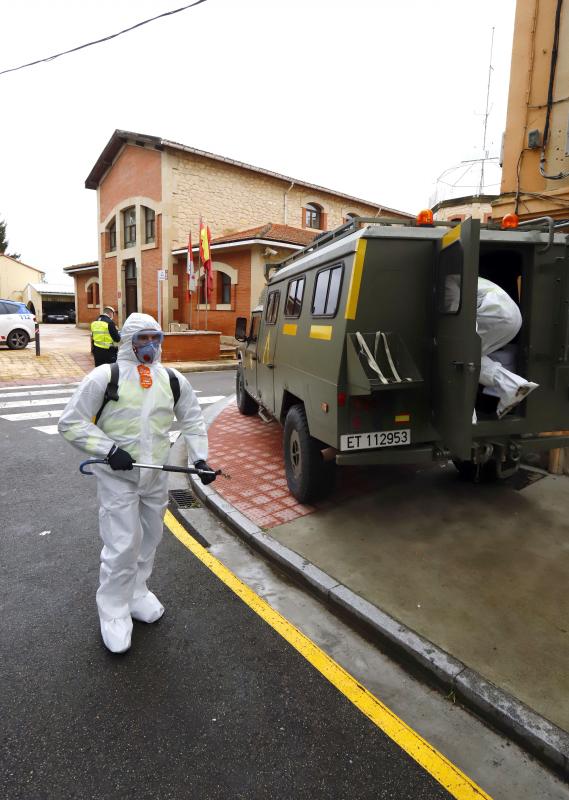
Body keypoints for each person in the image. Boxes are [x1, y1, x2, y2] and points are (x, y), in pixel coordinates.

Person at [58, 313, 216, 654]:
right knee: (122, 544)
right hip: (118, 479)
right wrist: (109, 449)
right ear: (129, 340)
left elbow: (192, 417)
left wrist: (201, 458)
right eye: (143, 338)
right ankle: (113, 611)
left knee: (150, 538)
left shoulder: (171, 379)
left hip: (155, 476)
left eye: (155, 338)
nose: (151, 345)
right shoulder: (105, 376)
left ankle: (137, 593)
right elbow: (70, 423)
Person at [476, 277, 538, 418]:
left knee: (456, 353)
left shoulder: (446, 277)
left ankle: (466, 415)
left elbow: (453, 314)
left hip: (494, 313)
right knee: (467, 354)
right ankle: (513, 385)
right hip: (510, 315)